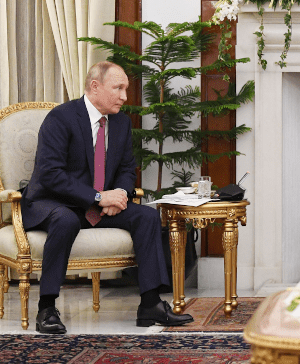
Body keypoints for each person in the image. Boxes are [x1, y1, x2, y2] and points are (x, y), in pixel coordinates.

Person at [21, 61, 193, 334]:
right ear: (95, 87)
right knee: (65, 220)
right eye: (119, 88)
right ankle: (47, 307)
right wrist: (99, 197)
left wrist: (121, 196)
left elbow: (126, 169)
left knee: (147, 216)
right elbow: (51, 174)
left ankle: (150, 304)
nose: (125, 96)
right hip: (54, 202)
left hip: (98, 203)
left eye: (126, 88)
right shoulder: (61, 117)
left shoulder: (121, 123)